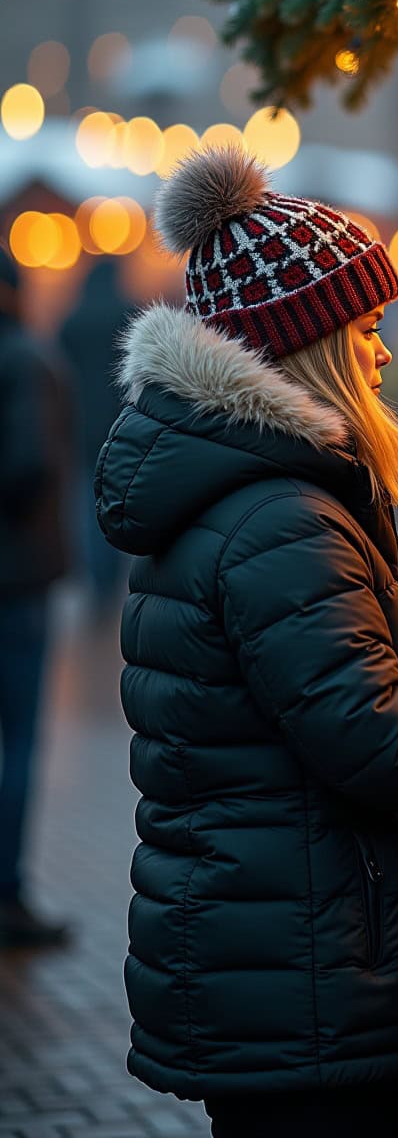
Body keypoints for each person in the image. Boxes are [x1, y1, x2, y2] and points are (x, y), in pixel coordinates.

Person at [94, 146, 398, 1138]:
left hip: (261, 946)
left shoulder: (235, 493)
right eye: (369, 326)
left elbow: (318, 690)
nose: (385, 351)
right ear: (310, 346)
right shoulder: (280, 517)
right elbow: (370, 740)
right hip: (300, 961)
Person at [0, 245, 73, 949]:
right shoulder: (25, 358)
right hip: (18, 576)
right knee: (17, 740)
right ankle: (8, 895)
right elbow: (29, 464)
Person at [58, 255, 134, 627]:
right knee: (124, 503)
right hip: (123, 429)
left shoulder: (71, 322)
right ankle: (114, 583)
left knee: (88, 510)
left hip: (81, 429)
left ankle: (96, 585)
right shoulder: (128, 314)